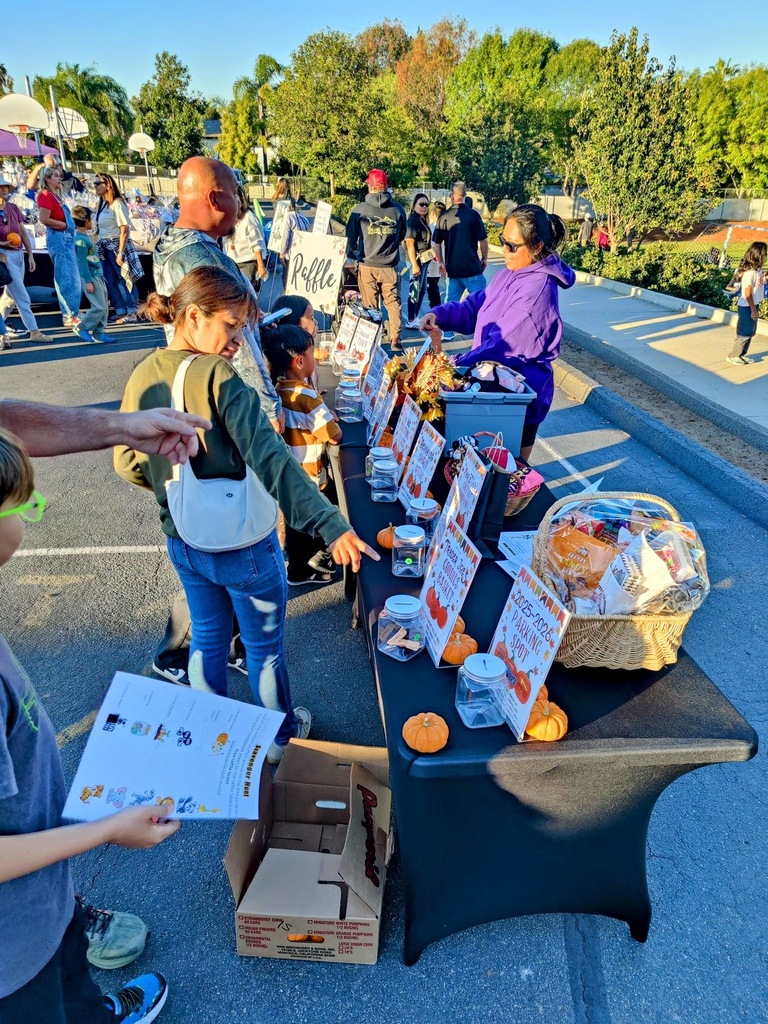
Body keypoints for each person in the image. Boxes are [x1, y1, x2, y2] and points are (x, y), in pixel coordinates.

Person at [115, 266, 378, 763]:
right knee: (264, 649)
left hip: (183, 537)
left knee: (209, 636)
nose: (238, 341)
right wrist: (330, 523)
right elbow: (272, 460)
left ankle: (217, 734)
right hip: (243, 543)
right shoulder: (217, 376)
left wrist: (172, 487)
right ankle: (278, 740)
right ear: (194, 316)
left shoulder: (146, 371)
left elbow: (125, 462)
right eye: (231, 326)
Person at [0, 426, 179, 1023]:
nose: (29, 517)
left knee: (72, 981)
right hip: (10, 951)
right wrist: (106, 829)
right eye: (24, 505)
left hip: (41, 898)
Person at [150, 156, 283, 686]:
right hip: (224, 421)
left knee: (202, 566)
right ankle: (274, 740)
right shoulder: (193, 260)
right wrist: (265, 419)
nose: (240, 206)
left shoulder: (179, 249)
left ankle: (209, 701)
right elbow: (232, 352)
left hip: (197, 425)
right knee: (255, 621)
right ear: (214, 197)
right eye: (235, 194)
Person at [420, 204, 576, 461]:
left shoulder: (537, 291)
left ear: (537, 247)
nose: (504, 250)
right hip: (489, 387)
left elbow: (502, 344)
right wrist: (441, 314)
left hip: (516, 402)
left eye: (512, 246)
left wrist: (451, 365)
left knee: (502, 476)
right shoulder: (509, 274)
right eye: (502, 241)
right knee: (472, 467)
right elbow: (475, 307)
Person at [262, 322, 341, 585]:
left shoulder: (278, 390)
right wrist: (334, 421)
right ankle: (307, 565)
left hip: (288, 470)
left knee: (296, 521)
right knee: (323, 513)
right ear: (299, 361)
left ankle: (298, 566)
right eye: (311, 353)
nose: (314, 357)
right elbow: (332, 434)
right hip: (308, 471)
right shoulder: (306, 396)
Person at [345, 169, 406, 350]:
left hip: (367, 264)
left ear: (370, 186)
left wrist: (354, 254)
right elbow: (402, 235)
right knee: (393, 303)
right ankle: (395, 339)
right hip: (389, 265)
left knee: (370, 305)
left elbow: (350, 237)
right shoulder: (398, 210)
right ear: (386, 187)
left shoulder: (359, 210)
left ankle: (372, 339)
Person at [431, 181, 488, 340]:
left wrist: (441, 262)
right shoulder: (474, 215)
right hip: (472, 269)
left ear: (451, 196)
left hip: (453, 270)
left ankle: (447, 333)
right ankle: (483, 333)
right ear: (464, 196)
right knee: (483, 303)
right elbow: (483, 241)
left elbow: (436, 243)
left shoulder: (444, 217)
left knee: (450, 302)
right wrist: (484, 258)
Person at [0, 174, 49, 343]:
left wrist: (30, 255)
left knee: (10, 296)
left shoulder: (13, 208)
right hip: (3, 256)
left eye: (6, 186)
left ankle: (1, 326)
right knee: (21, 295)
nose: (4, 189)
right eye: (1, 187)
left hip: (18, 254)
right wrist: (2, 243)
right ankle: (34, 331)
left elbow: (23, 232)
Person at [36, 165, 82, 330]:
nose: (59, 178)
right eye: (55, 176)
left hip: (66, 238)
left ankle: (72, 311)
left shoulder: (56, 196)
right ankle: (69, 315)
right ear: (47, 178)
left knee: (70, 276)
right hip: (59, 239)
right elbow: (44, 218)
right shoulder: (45, 195)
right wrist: (63, 226)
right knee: (67, 278)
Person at [94, 174, 143, 325]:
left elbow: (124, 229)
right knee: (109, 279)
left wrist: (120, 252)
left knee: (124, 279)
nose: (95, 186)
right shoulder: (102, 204)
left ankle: (133, 311)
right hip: (104, 245)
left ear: (107, 185)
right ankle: (120, 309)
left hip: (116, 245)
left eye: (98, 183)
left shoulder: (117, 204)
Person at [72, 206, 110, 344]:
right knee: (99, 306)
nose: (92, 222)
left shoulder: (84, 237)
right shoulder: (81, 241)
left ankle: (99, 332)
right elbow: (82, 263)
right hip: (91, 276)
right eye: (91, 219)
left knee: (104, 305)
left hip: (97, 275)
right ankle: (82, 327)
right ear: (86, 220)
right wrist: (88, 281)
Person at [726, 242, 766, 365]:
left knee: (750, 332)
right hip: (747, 306)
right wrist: (753, 310)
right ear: (758, 255)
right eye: (765, 254)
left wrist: (764, 278)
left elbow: (758, 283)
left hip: (754, 305)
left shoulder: (757, 270)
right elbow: (747, 293)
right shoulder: (750, 273)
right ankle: (733, 355)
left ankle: (742, 354)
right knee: (744, 332)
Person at [223, 186, 268, 292]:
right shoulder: (230, 217)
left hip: (249, 263)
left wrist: (261, 266)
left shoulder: (249, 217)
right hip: (233, 263)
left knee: (249, 295)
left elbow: (257, 243)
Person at [404, 193, 433, 330]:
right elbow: (410, 244)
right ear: (414, 205)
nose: (424, 207)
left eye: (427, 205)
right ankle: (410, 319)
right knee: (414, 291)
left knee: (421, 291)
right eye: (421, 204)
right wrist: (415, 265)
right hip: (416, 261)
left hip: (424, 261)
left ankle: (414, 317)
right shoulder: (413, 221)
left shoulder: (421, 220)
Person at [426, 200, 446, 310]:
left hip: (433, 262)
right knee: (434, 287)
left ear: (432, 213)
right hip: (442, 260)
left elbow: (433, 247)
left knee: (432, 288)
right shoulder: (446, 226)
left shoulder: (432, 228)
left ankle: (436, 311)